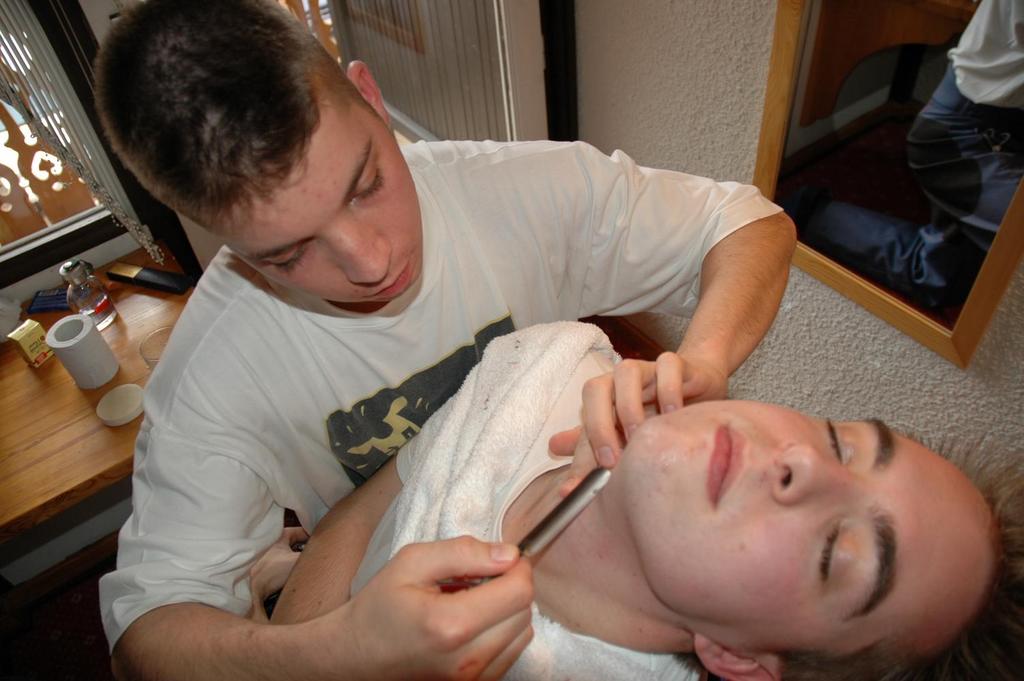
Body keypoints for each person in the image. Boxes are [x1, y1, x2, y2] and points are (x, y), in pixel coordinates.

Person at [92, 1, 796, 678]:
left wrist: (706, 358)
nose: (371, 262)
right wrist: (341, 652)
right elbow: (144, 637)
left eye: (365, 184)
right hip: (363, 565)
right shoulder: (213, 374)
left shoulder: (512, 190)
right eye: (288, 254)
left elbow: (746, 224)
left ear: (371, 98)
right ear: (228, 244)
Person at [266, 321, 1023, 681]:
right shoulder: (551, 360)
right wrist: (315, 648)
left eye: (837, 552)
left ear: (739, 657)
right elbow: (361, 516)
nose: (800, 463)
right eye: (842, 444)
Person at [782, 0, 1023, 309]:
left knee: (952, 278)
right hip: (968, 132)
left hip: (998, 121)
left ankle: (806, 213)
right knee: (971, 269)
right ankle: (799, 212)